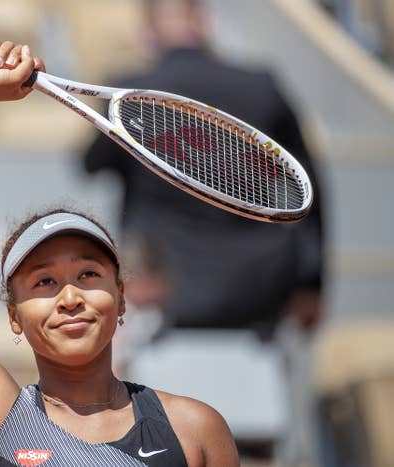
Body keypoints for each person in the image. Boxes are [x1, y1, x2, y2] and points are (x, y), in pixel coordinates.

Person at [0, 40, 239, 466]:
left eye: (88, 275)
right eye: (44, 281)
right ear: (14, 315)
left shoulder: (194, 430)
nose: (70, 297)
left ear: (122, 296)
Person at [83, 0, 324, 341]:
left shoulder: (130, 91)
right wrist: (312, 284)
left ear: (147, 33)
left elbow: (90, 165)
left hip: (160, 291)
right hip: (259, 288)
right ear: (203, 23)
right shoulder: (262, 86)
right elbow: (308, 189)